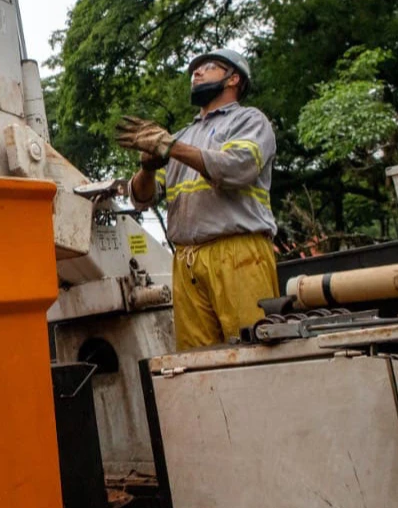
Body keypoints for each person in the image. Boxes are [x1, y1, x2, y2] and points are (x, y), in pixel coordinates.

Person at [118, 48, 278, 351]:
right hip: (187, 260)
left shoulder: (250, 121)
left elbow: (236, 168)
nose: (197, 72)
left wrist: (170, 147)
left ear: (234, 79)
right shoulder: (183, 136)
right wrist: (147, 168)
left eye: (209, 67)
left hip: (239, 254)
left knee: (253, 351)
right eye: (195, 69)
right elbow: (142, 198)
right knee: (197, 362)